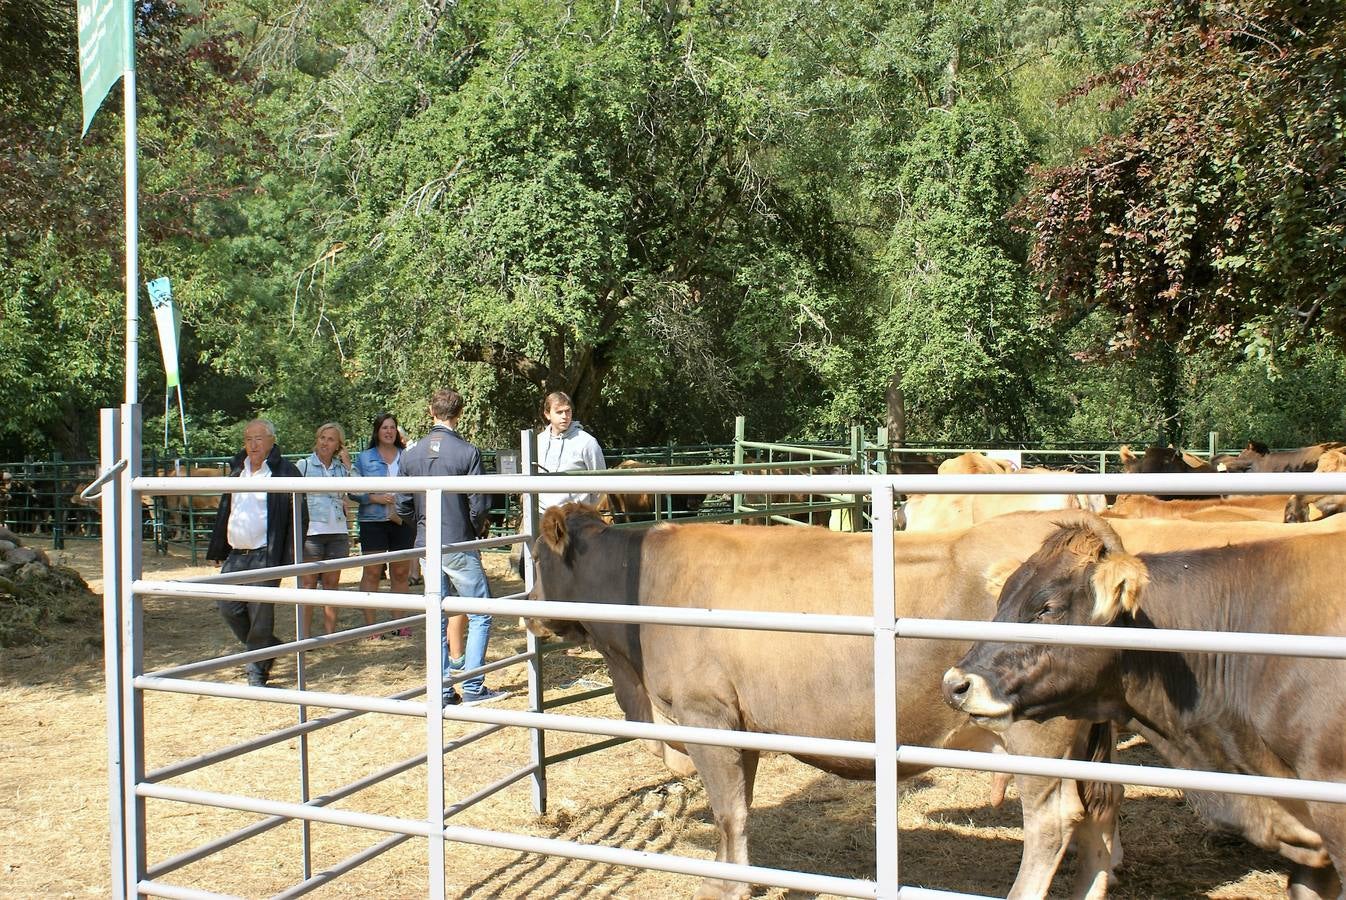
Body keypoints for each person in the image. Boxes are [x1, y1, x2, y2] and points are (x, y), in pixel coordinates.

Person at [396, 389, 508, 706]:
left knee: (437, 613)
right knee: (481, 612)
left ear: (431, 411)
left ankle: (444, 689)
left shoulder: (411, 455)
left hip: (427, 543)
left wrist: (419, 525)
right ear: (458, 413)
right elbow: (479, 503)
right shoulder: (466, 452)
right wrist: (473, 529)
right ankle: (473, 687)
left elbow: (402, 504)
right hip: (458, 540)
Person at [206, 419, 304, 687]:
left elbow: (298, 516)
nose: (253, 445)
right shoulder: (237, 470)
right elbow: (226, 510)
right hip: (236, 554)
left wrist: (292, 555)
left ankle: (256, 673)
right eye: (248, 439)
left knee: (260, 613)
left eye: (259, 438)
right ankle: (267, 648)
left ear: (272, 440)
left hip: (266, 554)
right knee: (228, 608)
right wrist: (218, 547)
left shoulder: (285, 472)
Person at [351, 413, 415, 636]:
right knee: (372, 573)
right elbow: (353, 490)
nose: (389, 431)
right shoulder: (364, 458)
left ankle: (400, 624)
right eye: (384, 427)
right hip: (373, 521)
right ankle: (372, 628)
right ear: (377, 431)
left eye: (392, 427)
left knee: (400, 573)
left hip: (401, 521)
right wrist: (373, 498)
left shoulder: (406, 456)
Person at [296, 423, 353, 636]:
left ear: (339, 445)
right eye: (322, 437)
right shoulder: (304, 466)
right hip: (312, 532)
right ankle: (304, 635)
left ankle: (330, 635)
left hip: (337, 531)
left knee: (332, 584)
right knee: (308, 584)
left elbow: (360, 490)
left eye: (330, 439)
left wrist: (349, 465)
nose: (325, 442)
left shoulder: (340, 468)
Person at [535, 390, 607, 513]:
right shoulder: (537, 442)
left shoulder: (587, 442)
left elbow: (600, 484)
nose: (565, 416)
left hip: (576, 517)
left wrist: (586, 511)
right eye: (559, 412)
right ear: (547, 414)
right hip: (543, 516)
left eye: (568, 411)